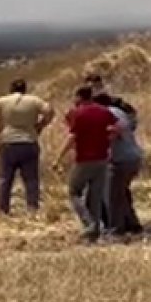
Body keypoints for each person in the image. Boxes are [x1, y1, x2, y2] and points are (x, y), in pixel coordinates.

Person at [53, 86, 118, 242]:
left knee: (73, 191)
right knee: (95, 196)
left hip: (84, 159)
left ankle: (89, 223)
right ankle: (94, 232)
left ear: (79, 97)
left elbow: (72, 137)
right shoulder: (104, 111)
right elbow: (116, 129)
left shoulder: (79, 113)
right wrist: (107, 141)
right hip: (102, 158)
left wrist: (58, 158)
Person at [0, 79, 54, 216]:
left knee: (5, 179)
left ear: (11, 89)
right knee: (31, 179)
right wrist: (40, 125)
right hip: (29, 141)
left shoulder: (3, 101)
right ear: (25, 89)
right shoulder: (34, 101)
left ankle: (2, 210)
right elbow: (49, 111)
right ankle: (32, 210)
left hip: (8, 142)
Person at [96, 93, 144, 236]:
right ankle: (133, 224)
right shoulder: (120, 112)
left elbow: (113, 132)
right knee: (121, 193)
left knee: (111, 196)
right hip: (133, 157)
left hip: (119, 160)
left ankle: (116, 229)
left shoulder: (107, 113)